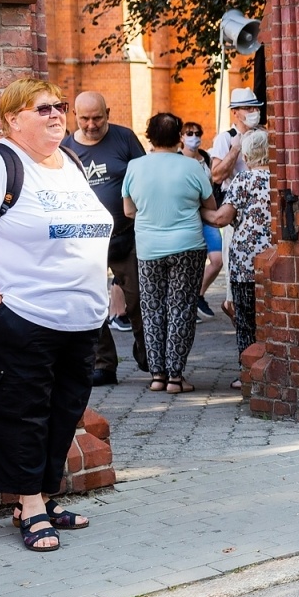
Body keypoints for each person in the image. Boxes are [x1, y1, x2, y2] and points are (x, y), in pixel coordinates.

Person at [0, 77, 115, 551]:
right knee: (21, 413)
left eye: (58, 106)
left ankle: (39, 497)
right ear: (13, 119)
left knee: (62, 412)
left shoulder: (71, 163)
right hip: (19, 315)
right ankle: (30, 508)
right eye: (42, 109)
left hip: (78, 319)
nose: (56, 114)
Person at [123, 112, 216, 394]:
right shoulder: (192, 168)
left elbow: (129, 210)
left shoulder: (135, 167)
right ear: (179, 137)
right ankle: (176, 377)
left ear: (148, 136)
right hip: (188, 246)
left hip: (149, 247)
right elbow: (209, 205)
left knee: (151, 310)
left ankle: (157, 376)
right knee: (182, 308)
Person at [61, 90, 145, 386]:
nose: (91, 124)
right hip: (85, 242)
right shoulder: (65, 148)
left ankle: (148, 355)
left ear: (108, 112)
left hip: (126, 236)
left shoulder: (124, 139)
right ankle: (104, 364)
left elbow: (143, 178)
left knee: (136, 299)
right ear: (75, 116)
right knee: (92, 303)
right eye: (84, 118)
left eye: (97, 117)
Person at [204, 130, 272, 390]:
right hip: (274, 260)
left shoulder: (243, 179)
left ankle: (248, 372)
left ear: (245, 155)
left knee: (246, 321)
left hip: (245, 263)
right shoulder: (279, 179)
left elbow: (221, 218)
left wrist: (200, 211)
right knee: (271, 318)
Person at [178, 119, 223, 321]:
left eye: (197, 133)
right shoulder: (176, 160)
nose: (193, 137)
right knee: (188, 265)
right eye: (189, 133)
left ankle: (198, 295)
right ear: (180, 137)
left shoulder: (205, 158)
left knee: (217, 260)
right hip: (186, 217)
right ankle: (186, 305)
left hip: (206, 215)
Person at [210, 88, 263, 186]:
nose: (254, 111)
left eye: (256, 107)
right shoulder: (225, 138)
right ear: (235, 112)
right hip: (234, 197)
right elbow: (217, 177)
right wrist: (235, 149)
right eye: (248, 108)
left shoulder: (262, 136)